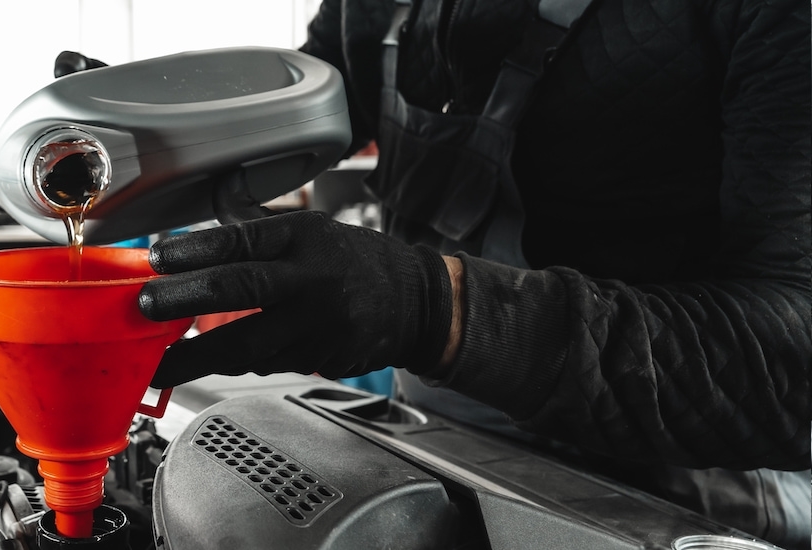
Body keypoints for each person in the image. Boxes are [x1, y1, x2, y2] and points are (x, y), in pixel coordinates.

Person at [135, 0, 811, 545]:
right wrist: (154, 132)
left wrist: (440, 309)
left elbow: (792, 373)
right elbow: (309, 105)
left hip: (678, 499)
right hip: (432, 444)